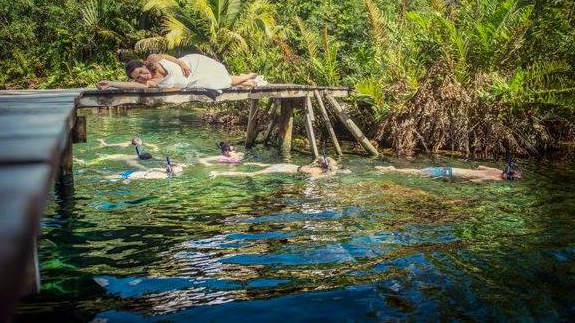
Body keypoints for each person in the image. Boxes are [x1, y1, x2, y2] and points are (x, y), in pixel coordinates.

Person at [96, 53, 266, 90]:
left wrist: (182, 64)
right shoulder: (150, 83)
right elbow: (128, 86)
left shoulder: (153, 59)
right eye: (137, 77)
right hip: (192, 81)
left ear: (143, 65)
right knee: (220, 81)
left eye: (140, 71)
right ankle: (248, 78)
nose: (142, 76)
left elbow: (168, 57)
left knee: (222, 79)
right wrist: (110, 83)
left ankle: (248, 77)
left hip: (191, 65)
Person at [209, 156, 349, 178]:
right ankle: (219, 172)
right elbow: (312, 179)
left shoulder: (315, 165)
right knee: (251, 175)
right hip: (281, 169)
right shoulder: (317, 170)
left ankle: (249, 163)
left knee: (262, 165)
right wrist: (328, 177)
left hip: (288, 165)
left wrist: (337, 171)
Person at [374, 164, 522, 183]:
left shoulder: (495, 170)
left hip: (450, 170)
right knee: (418, 174)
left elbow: (478, 166)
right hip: (450, 175)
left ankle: (394, 169)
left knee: (419, 172)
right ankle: (392, 170)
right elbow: (474, 181)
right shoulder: (494, 177)